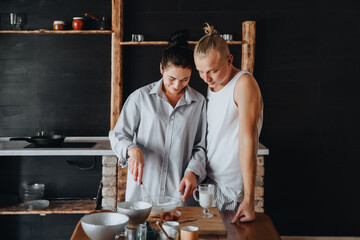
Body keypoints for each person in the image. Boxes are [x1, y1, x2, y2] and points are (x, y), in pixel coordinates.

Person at [109, 30, 206, 204]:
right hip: (143, 193)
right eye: (172, 78)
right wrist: (132, 149)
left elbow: (200, 146)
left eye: (185, 79)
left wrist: (193, 172)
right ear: (161, 68)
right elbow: (117, 135)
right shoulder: (140, 97)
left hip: (179, 194)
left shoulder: (199, 103)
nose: (177, 85)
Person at [194, 23, 263, 223]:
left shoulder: (243, 83)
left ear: (230, 60)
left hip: (230, 192)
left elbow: (247, 139)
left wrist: (249, 198)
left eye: (212, 71)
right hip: (209, 184)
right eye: (201, 71)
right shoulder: (213, 84)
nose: (206, 78)